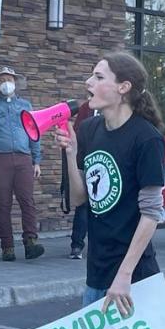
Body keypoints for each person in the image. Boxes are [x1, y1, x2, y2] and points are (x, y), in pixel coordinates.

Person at [53, 51, 165, 329]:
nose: (88, 81)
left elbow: (152, 212)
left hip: (130, 275)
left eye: (98, 76)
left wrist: (124, 275)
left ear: (123, 87)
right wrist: (71, 154)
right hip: (99, 268)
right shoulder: (90, 129)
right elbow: (82, 200)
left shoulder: (146, 139)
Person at [0, 66, 45, 261]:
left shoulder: (25, 104)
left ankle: (30, 241)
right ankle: (7, 246)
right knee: (3, 203)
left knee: (27, 200)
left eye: (9, 79)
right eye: (1, 80)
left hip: (24, 158)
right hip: (1, 158)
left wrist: (36, 160)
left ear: (15, 82)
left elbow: (34, 133)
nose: (5, 83)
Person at [69, 99, 95, 260]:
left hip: (104, 162)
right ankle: (77, 245)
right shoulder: (87, 107)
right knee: (83, 205)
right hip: (87, 161)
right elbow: (78, 133)